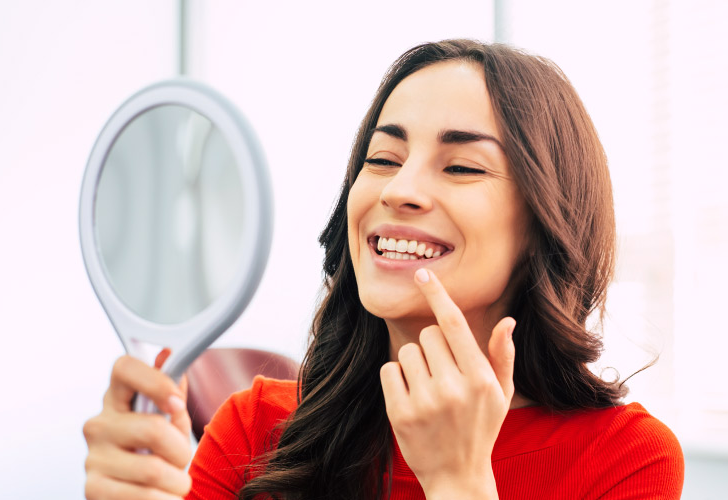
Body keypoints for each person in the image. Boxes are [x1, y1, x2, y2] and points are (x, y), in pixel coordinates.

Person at [83, 39, 684, 500]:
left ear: (546, 224)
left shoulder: (626, 459)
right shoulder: (252, 429)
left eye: (462, 167)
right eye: (382, 158)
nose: (399, 189)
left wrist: (458, 480)